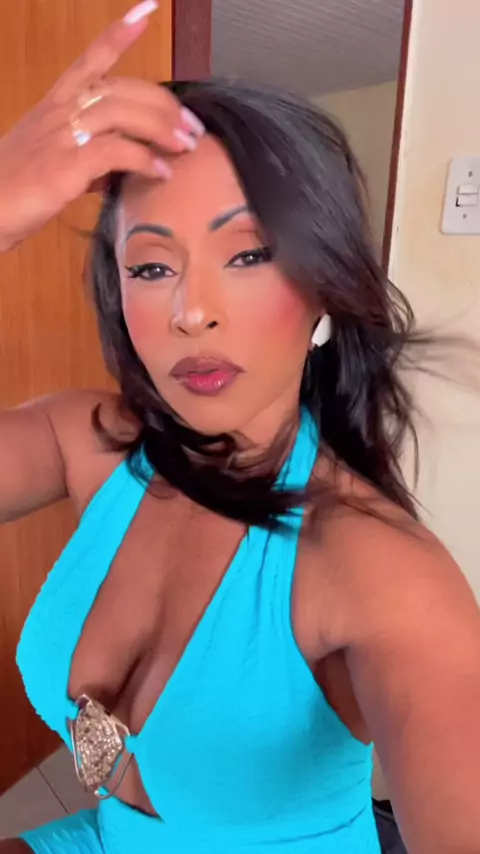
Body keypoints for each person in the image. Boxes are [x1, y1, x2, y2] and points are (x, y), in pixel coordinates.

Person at [1, 3, 480, 853]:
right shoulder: (87, 440)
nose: (192, 312)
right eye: (152, 265)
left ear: (326, 283)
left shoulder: (382, 577)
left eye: (250, 254)